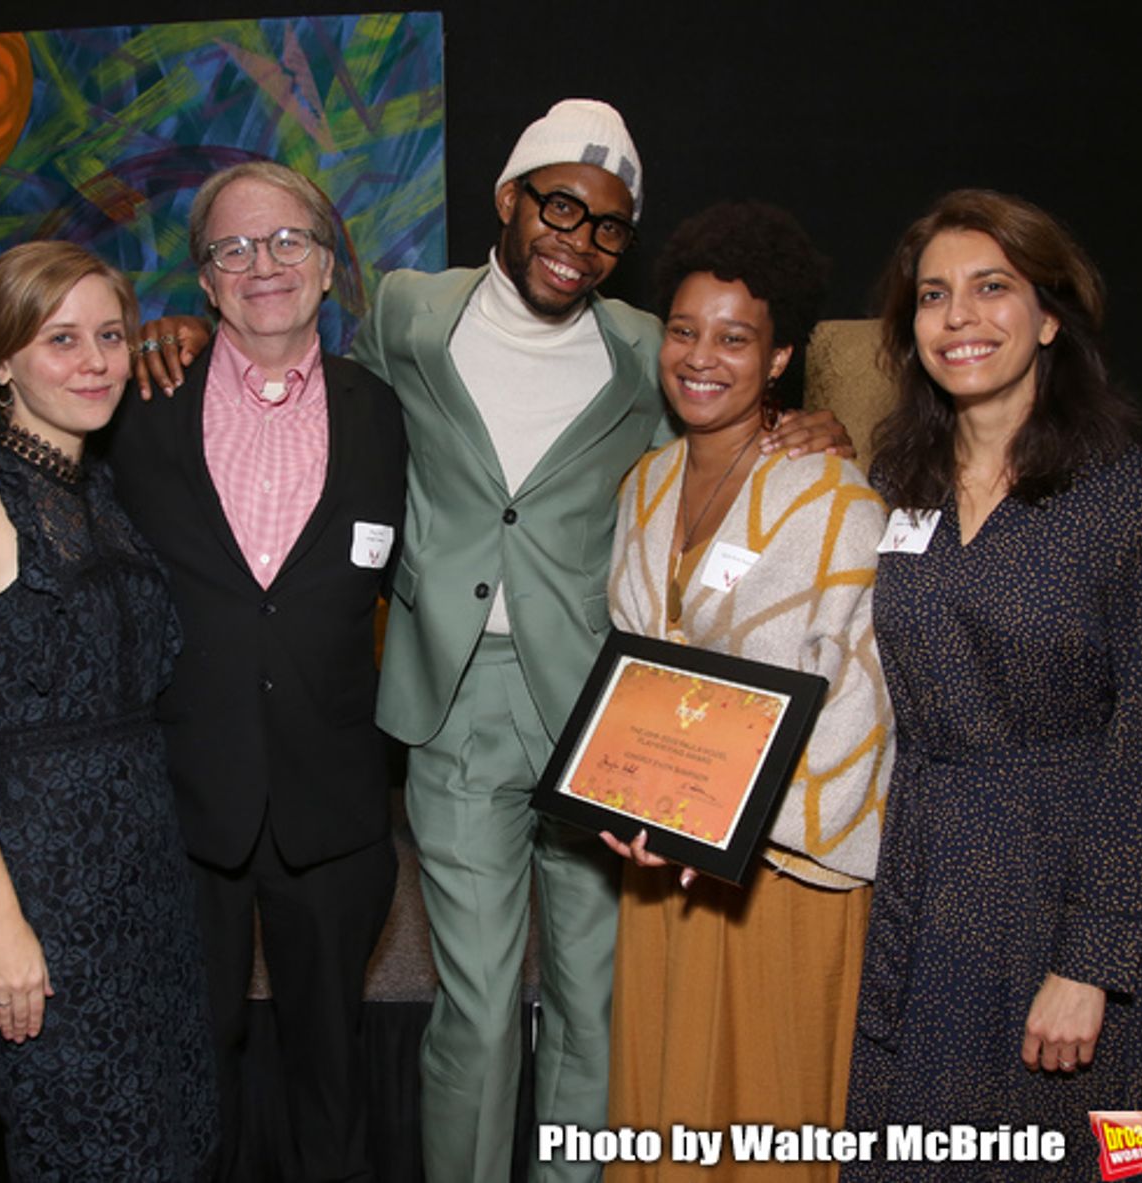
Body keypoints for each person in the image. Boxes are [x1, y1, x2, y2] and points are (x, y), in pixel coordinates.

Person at [0, 163, 407, 1182]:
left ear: (328, 265)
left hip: (311, 816)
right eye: (232, 248)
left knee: (297, 1090)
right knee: (154, 1095)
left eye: (287, 241)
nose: (263, 266)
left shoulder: (384, 411)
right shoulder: (141, 413)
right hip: (170, 820)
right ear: (202, 282)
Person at [347, 105, 854, 1182]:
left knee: (592, 1000)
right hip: (452, 704)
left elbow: (726, 422)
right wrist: (195, 342)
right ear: (509, 200)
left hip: (595, 710)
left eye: (609, 227)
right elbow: (326, 409)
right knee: (478, 1007)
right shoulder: (406, 314)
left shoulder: (643, 345)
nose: (578, 239)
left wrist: (815, 421)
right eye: (560, 207)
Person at [843, 189, 1142, 1179]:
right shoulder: (888, 487)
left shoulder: (1131, 490)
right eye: (931, 295)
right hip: (921, 878)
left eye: (989, 289)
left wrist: (1092, 953)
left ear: (1046, 316)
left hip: (1060, 876)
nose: (957, 318)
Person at [0, 240, 218, 1180]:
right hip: (36, 894)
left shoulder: (100, 495)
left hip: (143, 889)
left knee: (171, 1140)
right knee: (89, 1149)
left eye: (110, 334)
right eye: (59, 338)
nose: (96, 360)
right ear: (0, 363)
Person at [601, 202, 893, 1182]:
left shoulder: (837, 499)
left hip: (777, 875)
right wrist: (633, 804)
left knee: (762, 1126)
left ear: (778, 359)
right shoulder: (643, 486)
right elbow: (640, 671)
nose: (700, 357)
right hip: (666, 867)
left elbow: (858, 704)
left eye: (735, 337)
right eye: (683, 331)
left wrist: (731, 829)